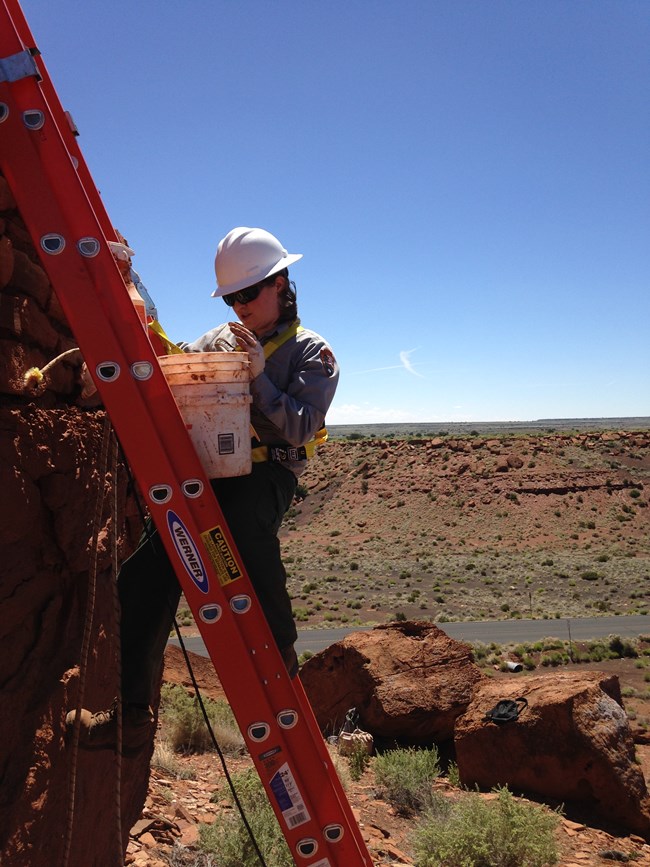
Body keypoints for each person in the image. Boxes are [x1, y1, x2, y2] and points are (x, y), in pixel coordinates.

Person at [67, 227, 339, 752]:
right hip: (208, 472)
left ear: (281, 283)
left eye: (248, 293)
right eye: (232, 297)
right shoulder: (221, 337)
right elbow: (171, 364)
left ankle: (283, 675)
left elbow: (302, 427)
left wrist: (257, 376)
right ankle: (130, 720)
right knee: (142, 577)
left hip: (265, 476)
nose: (239, 306)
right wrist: (134, 304)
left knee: (243, 540)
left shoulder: (311, 352)